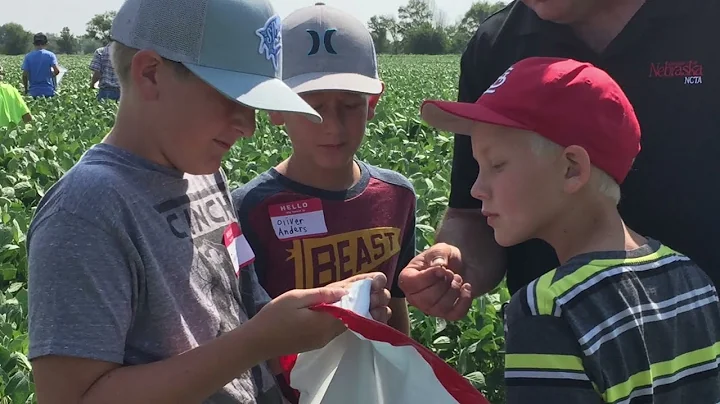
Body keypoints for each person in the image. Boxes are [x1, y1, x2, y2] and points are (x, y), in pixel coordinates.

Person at [26, 0, 393, 403]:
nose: (249, 127)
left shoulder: (200, 170)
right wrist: (257, 342)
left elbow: (234, 316)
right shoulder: (85, 210)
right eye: (231, 97)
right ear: (150, 74)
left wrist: (322, 313)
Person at [420, 56, 720, 403]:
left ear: (572, 168)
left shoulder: (547, 310)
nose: (476, 188)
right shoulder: (692, 279)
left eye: (497, 164)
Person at [398, 0, 720, 321]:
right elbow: (470, 216)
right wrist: (455, 266)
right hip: (559, 343)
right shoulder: (496, 45)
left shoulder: (705, 20)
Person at [232, 2, 413, 337]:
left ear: (372, 104)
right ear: (277, 108)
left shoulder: (397, 197)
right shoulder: (248, 209)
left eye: (349, 105)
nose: (333, 127)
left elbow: (397, 309)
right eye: (312, 108)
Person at [21, 33, 60, 98]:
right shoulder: (50, 55)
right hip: (48, 91)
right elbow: (57, 71)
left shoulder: (28, 56)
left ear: (34, 44)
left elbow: (25, 75)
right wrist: (50, 74)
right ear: (46, 44)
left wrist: (26, 89)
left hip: (33, 92)